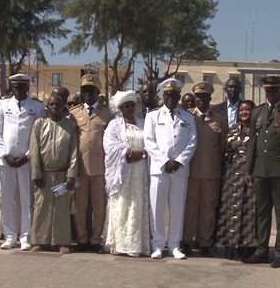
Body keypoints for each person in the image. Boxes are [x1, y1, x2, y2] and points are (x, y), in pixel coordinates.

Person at [242, 76, 280, 269]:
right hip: (260, 170)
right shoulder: (258, 112)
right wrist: (248, 170)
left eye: (274, 91)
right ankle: (261, 250)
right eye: (268, 91)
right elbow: (252, 143)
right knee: (262, 213)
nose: (271, 94)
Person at [0, 74, 46, 250]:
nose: (18, 90)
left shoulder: (37, 106)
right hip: (6, 160)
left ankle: (25, 236)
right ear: (11, 88)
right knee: (7, 199)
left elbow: (39, 134)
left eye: (22, 87)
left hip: (26, 160)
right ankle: (9, 235)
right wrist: (4, 153)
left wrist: (28, 155)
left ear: (28, 88)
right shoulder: (2, 105)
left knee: (26, 199)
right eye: (15, 87)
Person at [144, 78, 197, 260]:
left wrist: (179, 161)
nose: (171, 98)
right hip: (160, 169)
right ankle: (158, 244)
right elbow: (149, 141)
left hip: (180, 170)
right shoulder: (152, 116)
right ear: (162, 96)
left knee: (177, 208)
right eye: (167, 95)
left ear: (179, 96)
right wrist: (164, 161)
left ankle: (174, 244)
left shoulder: (188, 117)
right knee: (156, 208)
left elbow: (192, 142)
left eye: (174, 95)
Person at [182, 82, 228, 257]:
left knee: (208, 209)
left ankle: (205, 242)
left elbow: (223, 146)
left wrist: (223, 171)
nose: (201, 100)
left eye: (205, 97)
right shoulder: (187, 117)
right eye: (198, 97)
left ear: (210, 98)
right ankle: (187, 240)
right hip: (191, 172)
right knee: (190, 208)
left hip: (211, 171)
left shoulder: (220, 119)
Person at [30, 94, 79, 254]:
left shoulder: (70, 126)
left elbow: (74, 152)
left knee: (61, 209)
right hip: (44, 173)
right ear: (47, 106)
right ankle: (39, 240)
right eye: (51, 104)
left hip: (63, 173)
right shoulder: (39, 124)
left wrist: (71, 174)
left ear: (63, 106)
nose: (54, 107)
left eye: (57, 105)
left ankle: (62, 241)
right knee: (41, 207)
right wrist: (36, 173)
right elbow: (35, 150)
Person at [103, 90, 150, 257]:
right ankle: (121, 244)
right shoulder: (114, 125)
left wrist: (144, 153)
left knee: (137, 206)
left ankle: (136, 245)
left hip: (140, 172)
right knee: (122, 206)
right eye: (126, 106)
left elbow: (151, 141)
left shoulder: (143, 123)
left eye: (132, 105)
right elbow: (109, 145)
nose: (130, 108)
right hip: (123, 172)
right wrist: (128, 153)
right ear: (120, 108)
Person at [70, 74, 114, 254]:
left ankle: (96, 239)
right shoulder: (74, 113)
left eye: (91, 91)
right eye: (84, 91)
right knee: (80, 206)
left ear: (98, 93)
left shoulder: (107, 114)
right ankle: (82, 238)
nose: (88, 94)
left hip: (99, 168)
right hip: (80, 168)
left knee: (99, 207)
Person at [217, 100, 257, 260]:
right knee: (230, 210)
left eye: (247, 110)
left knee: (248, 211)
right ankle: (229, 244)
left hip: (249, 176)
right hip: (232, 176)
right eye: (241, 110)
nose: (244, 113)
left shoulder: (257, 131)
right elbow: (225, 150)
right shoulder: (233, 129)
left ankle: (247, 247)